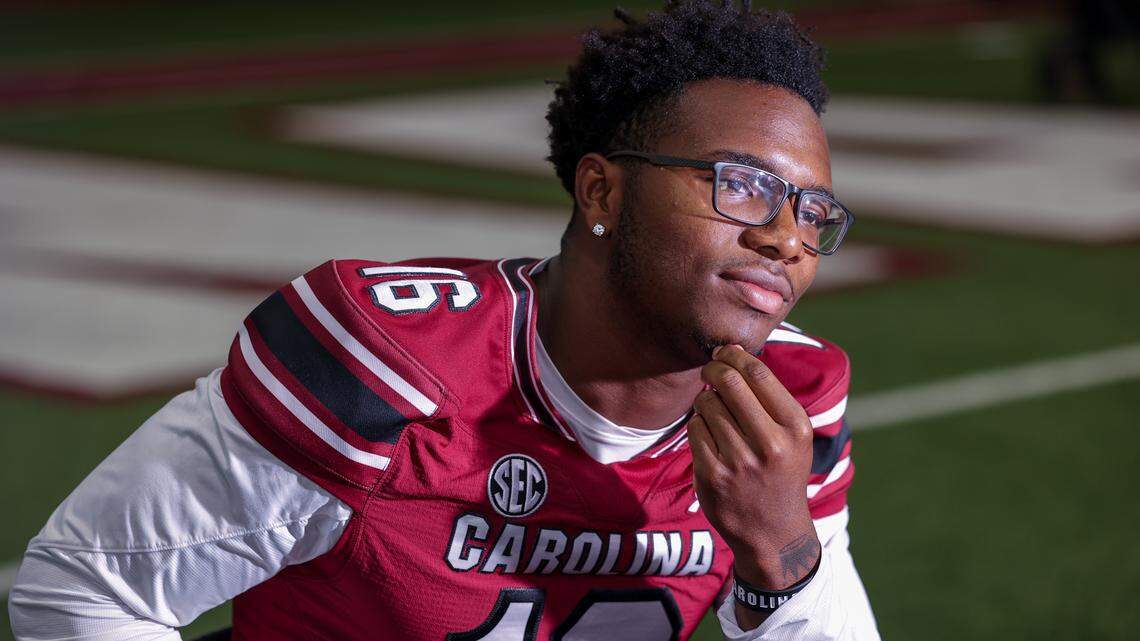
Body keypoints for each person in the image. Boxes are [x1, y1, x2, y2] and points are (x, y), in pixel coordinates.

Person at [8, 2, 879, 639]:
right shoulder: (385, 364)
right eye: (742, 184)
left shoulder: (792, 404)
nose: (784, 238)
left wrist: (782, 555)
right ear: (602, 189)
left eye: (812, 210)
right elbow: (82, 590)